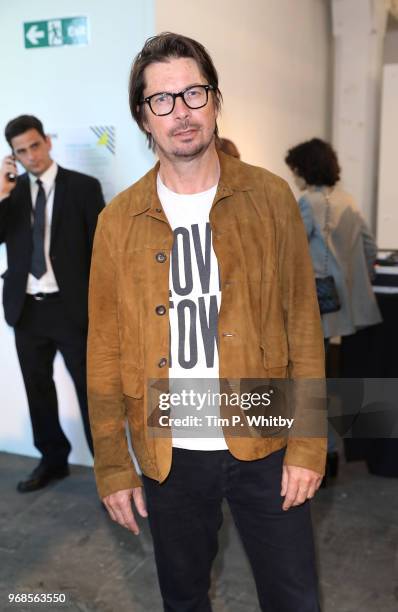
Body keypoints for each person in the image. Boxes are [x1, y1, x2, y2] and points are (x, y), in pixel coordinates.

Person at [88, 33, 326, 612]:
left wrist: (309, 446)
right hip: (168, 439)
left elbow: (304, 327)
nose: (182, 112)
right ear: (143, 117)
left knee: (294, 596)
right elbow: (104, 349)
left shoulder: (270, 198)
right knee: (184, 596)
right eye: (162, 100)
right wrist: (114, 465)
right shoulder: (117, 221)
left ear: (216, 100)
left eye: (194, 93)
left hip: (263, 427)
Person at [0, 115, 105, 492]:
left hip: (71, 309)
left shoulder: (83, 187)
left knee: (90, 391)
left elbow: (99, 252)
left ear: (47, 141)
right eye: (21, 151)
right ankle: (53, 461)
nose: (31, 156)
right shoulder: (9, 195)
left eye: (35, 146)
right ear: (13, 155)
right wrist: (0, 193)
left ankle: (108, 469)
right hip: (27, 309)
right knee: (37, 389)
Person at [285, 137, 382, 481]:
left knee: (311, 385)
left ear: (304, 168)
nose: (294, 176)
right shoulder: (347, 200)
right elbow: (369, 247)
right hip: (341, 308)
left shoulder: (309, 202)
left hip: (315, 305)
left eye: (295, 169)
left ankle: (319, 458)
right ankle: (328, 458)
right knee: (324, 382)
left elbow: (291, 250)